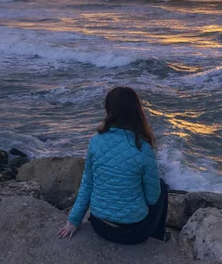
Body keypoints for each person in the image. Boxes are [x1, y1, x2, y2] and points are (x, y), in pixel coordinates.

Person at [58, 86, 170, 244]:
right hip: (133, 233)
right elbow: (152, 199)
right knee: (162, 186)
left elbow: (87, 184)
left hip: (100, 226)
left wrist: (73, 221)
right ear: (137, 111)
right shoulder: (143, 148)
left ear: (109, 110)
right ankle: (159, 238)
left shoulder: (95, 141)